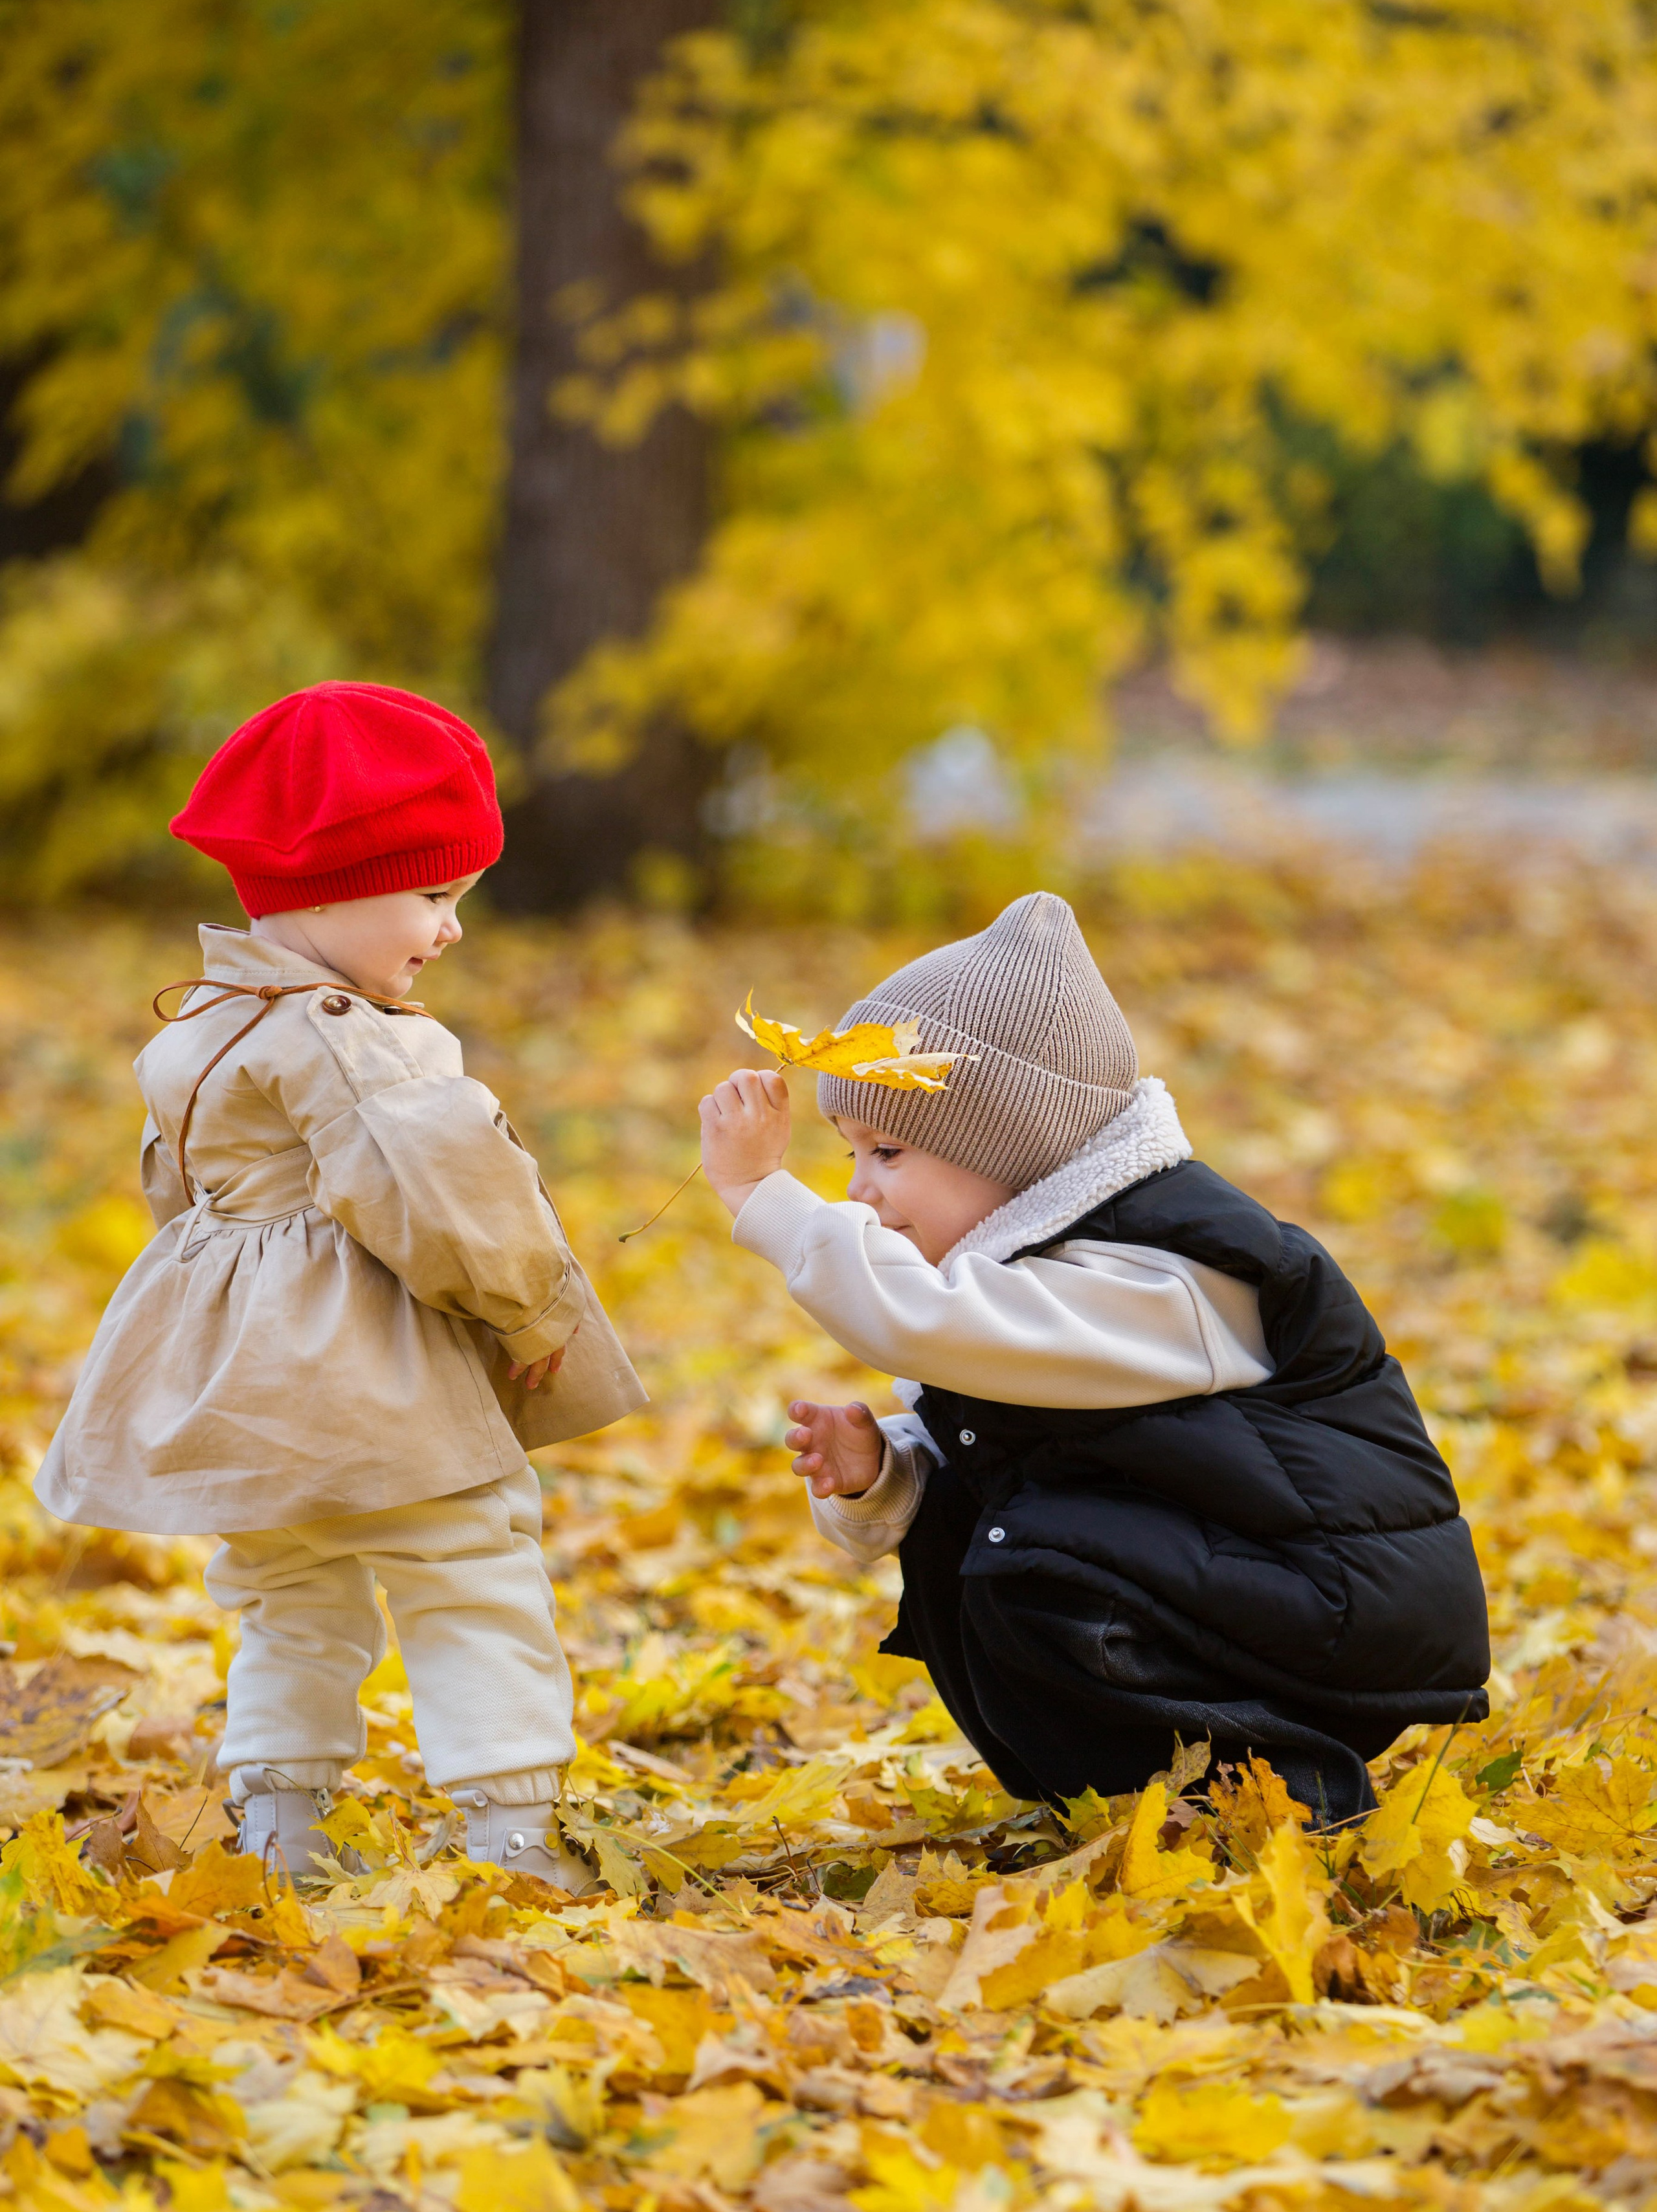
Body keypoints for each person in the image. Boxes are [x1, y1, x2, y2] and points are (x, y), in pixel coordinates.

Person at [699, 891, 1488, 1824]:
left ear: (1014, 1147)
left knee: (1029, 1564)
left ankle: (1282, 1787)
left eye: (890, 1149)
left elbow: (933, 1326)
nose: (862, 1190)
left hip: (1332, 1617)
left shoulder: (1170, 1272)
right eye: (849, 1158)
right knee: (979, 1537)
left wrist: (762, 1193)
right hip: (1244, 1589)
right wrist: (888, 1474)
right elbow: (1024, 1444)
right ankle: (1138, 1798)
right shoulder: (1036, 1279)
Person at [36, 681, 644, 1881]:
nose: (452, 928)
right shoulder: (356, 1034)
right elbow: (442, 1194)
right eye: (433, 895)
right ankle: (511, 1826)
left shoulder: (195, 1028)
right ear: (329, 891)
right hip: (368, 1362)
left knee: (289, 1583)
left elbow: (179, 1198)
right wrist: (526, 1309)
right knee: (470, 1560)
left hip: (242, 1372)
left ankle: (281, 1821)